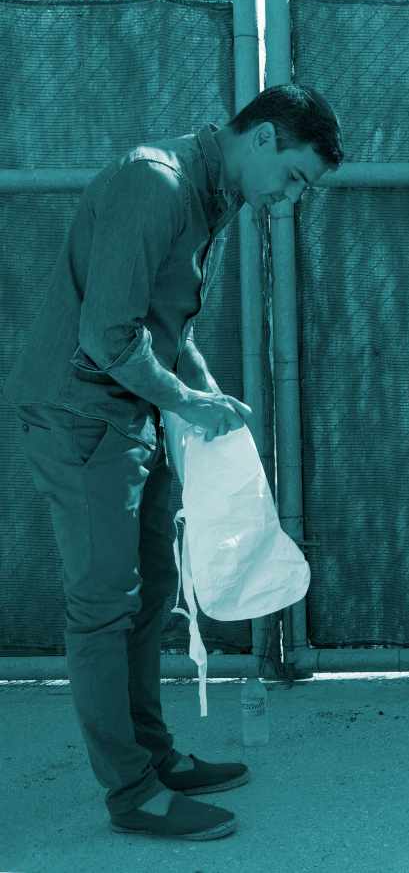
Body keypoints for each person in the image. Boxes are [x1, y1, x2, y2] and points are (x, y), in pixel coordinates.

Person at [2, 84, 343, 839]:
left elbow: (162, 329)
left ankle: (153, 757)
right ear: (262, 140)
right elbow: (108, 338)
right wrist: (186, 403)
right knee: (103, 606)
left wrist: (206, 395)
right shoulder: (153, 185)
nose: (290, 200)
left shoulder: (206, 198)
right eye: (293, 178)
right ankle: (131, 793)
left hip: (129, 410)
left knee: (153, 590)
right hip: (81, 415)